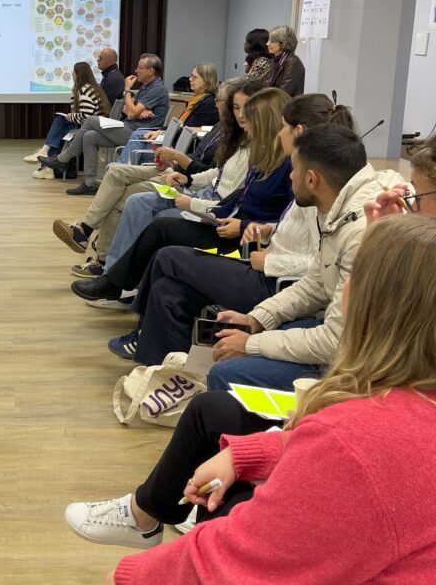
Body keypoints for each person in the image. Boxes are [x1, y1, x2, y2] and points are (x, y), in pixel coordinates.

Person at [87, 213, 436, 585]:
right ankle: (146, 512)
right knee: (175, 292)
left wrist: (128, 576)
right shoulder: (402, 407)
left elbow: (240, 560)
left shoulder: (354, 436)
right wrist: (245, 454)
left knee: (225, 499)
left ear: (367, 300)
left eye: (353, 275)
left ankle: (150, 514)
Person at [124, 95, 357, 365]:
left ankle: (138, 328)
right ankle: (173, 375)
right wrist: (268, 230)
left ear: (299, 132)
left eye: (283, 126)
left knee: (168, 255)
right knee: (168, 290)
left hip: (271, 279)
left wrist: (271, 259)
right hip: (262, 264)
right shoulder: (293, 171)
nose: (245, 123)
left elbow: (318, 265)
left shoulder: (312, 185)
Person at [202, 124, 403, 391]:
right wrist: (259, 318)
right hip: (342, 341)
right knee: (247, 339)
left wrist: (251, 345)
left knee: (225, 372)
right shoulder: (339, 208)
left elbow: (335, 342)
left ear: (311, 179)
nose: (290, 177)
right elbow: (316, 283)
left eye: (293, 170)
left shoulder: (361, 230)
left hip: (360, 365)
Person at [72, 88, 294, 311]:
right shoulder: (253, 151)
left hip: (229, 225)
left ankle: (115, 277)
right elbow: (227, 188)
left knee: (148, 210)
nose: (240, 116)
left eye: (247, 112)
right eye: (234, 107)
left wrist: (198, 203)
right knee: (129, 194)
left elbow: (251, 207)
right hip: (215, 209)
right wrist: (188, 181)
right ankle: (111, 271)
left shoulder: (275, 162)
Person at [52, 79, 264, 276]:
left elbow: (212, 177)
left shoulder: (241, 139)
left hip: (188, 180)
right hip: (182, 174)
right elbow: (214, 171)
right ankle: (89, 235)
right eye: (235, 107)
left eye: (222, 101)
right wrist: (177, 163)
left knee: (124, 193)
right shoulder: (224, 130)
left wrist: (179, 161)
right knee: (115, 171)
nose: (222, 106)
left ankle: (104, 262)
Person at [38, 54, 170, 196]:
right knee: (89, 136)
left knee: (90, 120)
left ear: (151, 71)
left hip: (139, 135)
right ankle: (89, 183)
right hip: (129, 127)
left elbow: (131, 113)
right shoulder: (146, 87)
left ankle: (63, 159)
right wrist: (137, 109)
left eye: (140, 68)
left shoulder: (157, 88)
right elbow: (126, 108)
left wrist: (127, 91)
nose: (136, 70)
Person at [116, 62, 219, 165]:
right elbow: (180, 125)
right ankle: (122, 169)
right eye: (191, 76)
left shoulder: (208, 103)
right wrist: (160, 131)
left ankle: (120, 169)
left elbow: (187, 129)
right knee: (138, 138)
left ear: (206, 81)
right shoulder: (196, 100)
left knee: (138, 138)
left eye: (194, 77)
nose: (190, 79)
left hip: (179, 149)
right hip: (173, 141)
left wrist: (161, 133)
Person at [24, 62, 110, 177]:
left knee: (60, 122)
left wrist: (70, 116)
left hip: (91, 128)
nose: (71, 74)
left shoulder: (84, 90)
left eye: (73, 72)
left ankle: (47, 160)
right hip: (93, 126)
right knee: (61, 128)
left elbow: (85, 116)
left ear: (79, 74)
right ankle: (48, 163)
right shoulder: (92, 87)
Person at [265, 24, 305, 96]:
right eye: (268, 40)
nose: (267, 44)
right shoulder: (276, 60)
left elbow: (283, 93)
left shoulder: (293, 62)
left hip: (287, 106)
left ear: (283, 43)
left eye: (272, 41)